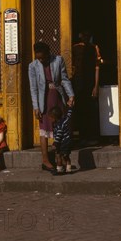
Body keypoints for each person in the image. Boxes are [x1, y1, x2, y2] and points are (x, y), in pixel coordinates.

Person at [28, 41, 75, 171]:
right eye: (38, 58)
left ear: (48, 53)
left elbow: (64, 79)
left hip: (57, 98)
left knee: (58, 128)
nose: (41, 60)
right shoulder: (32, 66)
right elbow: (33, 88)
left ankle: (59, 159)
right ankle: (45, 160)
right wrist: (36, 106)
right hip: (43, 101)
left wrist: (71, 95)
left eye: (43, 57)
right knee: (44, 130)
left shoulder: (58, 60)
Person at [71, 30, 102, 145]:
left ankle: (91, 136)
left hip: (89, 82)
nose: (85, 37)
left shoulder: (94, 48)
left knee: (91, 109)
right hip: (78, 83)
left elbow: (97, 67)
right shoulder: (74, 48)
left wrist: (95, 86)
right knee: (80, 109)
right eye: (84, 35)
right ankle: (82, 136)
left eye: (88, 35)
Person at [49, 105, 73, 175]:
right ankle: (67, 169)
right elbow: (69, 115)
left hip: (62, 142)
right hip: (67, 141)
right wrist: (70, 107)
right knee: (65, 156)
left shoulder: (59, 125)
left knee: (59, 155)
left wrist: (55, 144)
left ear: (54, 117)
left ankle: (60, 169)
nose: (50, 119)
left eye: (51, 117)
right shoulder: (65, 120)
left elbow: (59, 136)